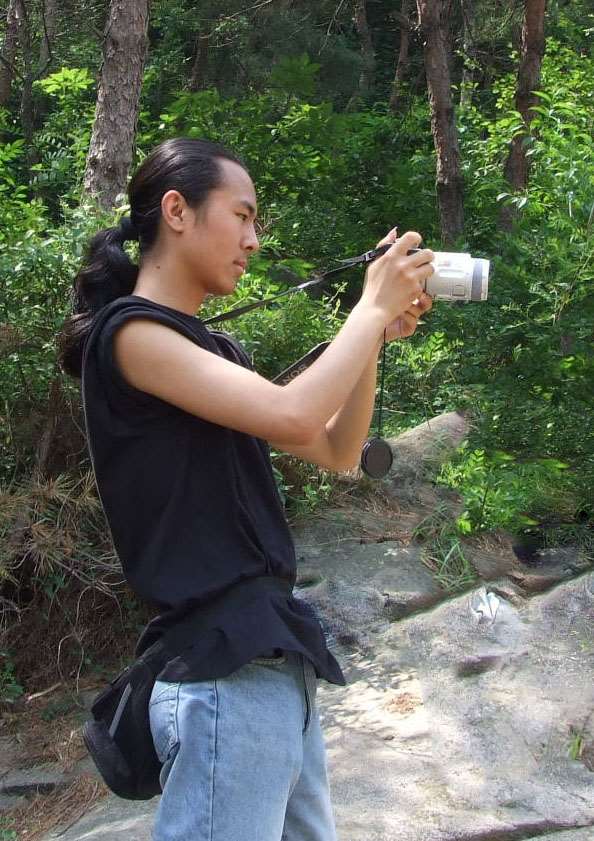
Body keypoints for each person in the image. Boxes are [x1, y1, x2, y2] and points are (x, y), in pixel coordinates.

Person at [59, 137, 433, 841]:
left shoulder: (211, 347)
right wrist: (367, 308)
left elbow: (335, 448)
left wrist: (374, 336)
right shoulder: (132, 335)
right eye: (242, 215)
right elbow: (294, 414)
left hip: (270, 665)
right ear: (177, 210)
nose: (253, 240)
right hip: (220, 667)